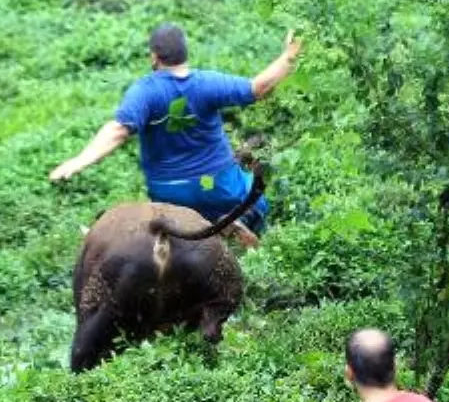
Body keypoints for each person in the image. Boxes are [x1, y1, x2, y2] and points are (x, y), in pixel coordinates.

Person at [49, 22, 302, 247]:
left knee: (168, 219)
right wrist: (291, 54)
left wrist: (79, 160)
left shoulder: (144, 91)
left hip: (170, 193)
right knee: (253, 195)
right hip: (214, 183)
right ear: (185, 52)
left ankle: (177, 234)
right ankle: (237, 221)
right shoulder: (207, 83)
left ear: (154, 57)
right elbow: (258, 88)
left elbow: (118, 130)